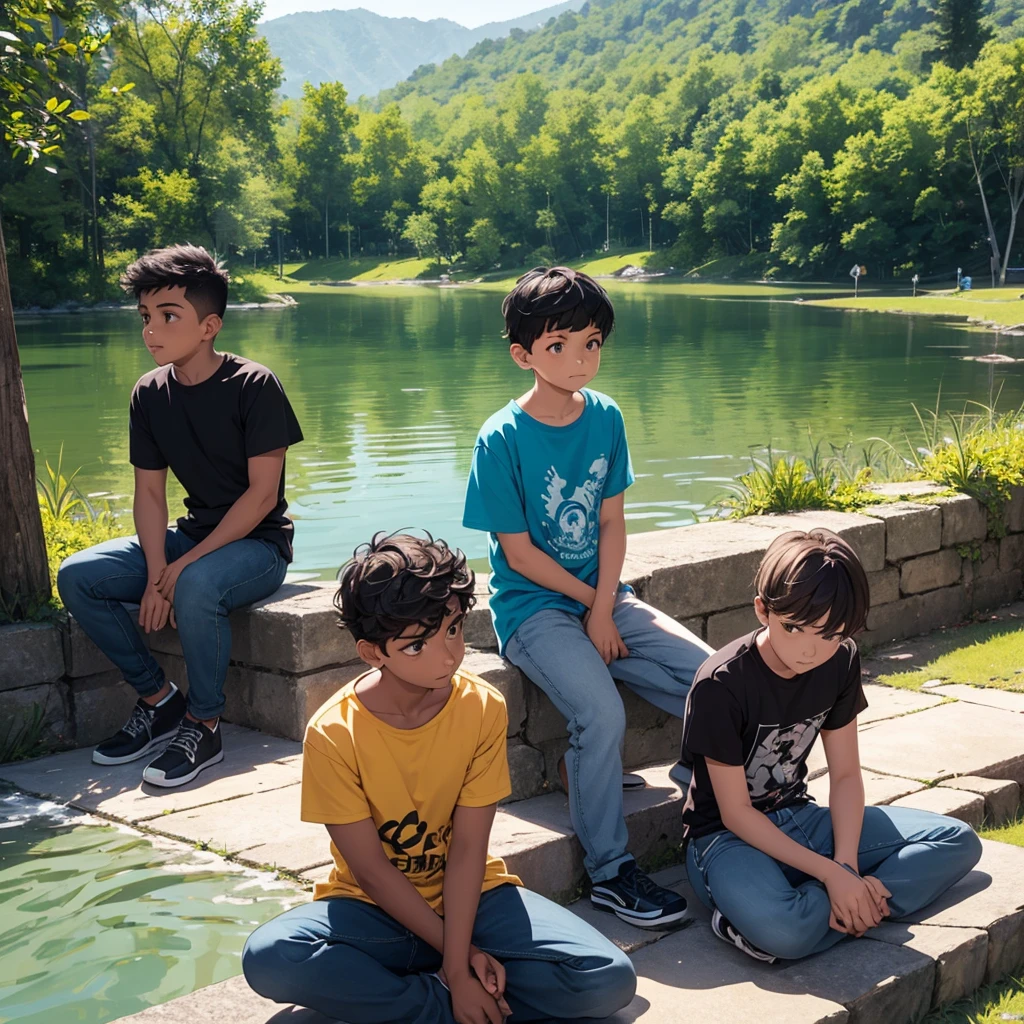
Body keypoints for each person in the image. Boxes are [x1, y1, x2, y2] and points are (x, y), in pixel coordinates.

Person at [242, 532, 637, 1024]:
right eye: (416, 645)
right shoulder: (333, 733)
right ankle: (449, 1005)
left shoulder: (480, 706)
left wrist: (459, 956)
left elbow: (469, 849)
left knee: (607, 978)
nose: (447, 655)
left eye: (452, 628)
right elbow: (372, 872)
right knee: (271, 956)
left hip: (473, 897)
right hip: (372, 910)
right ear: (372, 653)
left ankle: (415, 998)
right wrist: (460, 970)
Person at [462, 266, 713, 928]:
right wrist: (590, 607)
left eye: (592, 343)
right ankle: (610, 872)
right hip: (532, 610)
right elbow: (518, 556)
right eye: (558, 346)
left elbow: (611, 523)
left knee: (714, 679)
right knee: (600, 714)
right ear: (523, 355)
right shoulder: (501, 438)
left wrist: (604, 607)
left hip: (603, 596)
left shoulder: (606, 417)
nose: (579, 360)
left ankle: (710, 789)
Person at [57, 244, 303, 788]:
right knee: (78, 575)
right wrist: (153, 571)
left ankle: (204, 723)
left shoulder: (254, 385)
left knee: (193, 582)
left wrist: (177, 571)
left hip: (258, 548)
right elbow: (149, 493)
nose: (152, 331)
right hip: (190, 538)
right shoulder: (148, 393)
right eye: (146, 317)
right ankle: (159, 699)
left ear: (210, 325)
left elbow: (261, 498)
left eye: (169, 317)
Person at [679, 529, 982, 962]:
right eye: (794, 628)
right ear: (763, 609)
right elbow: (735, 812)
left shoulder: (840, 661)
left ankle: (836, 904)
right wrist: (833, 874)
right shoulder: (721, 684)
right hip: (726, 841)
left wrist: (846, 866)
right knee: (785, 932)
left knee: (957, 840)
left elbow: (844, 775)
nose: (810, 650)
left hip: (801, 818)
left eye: (831, 634)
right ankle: (818, 909)